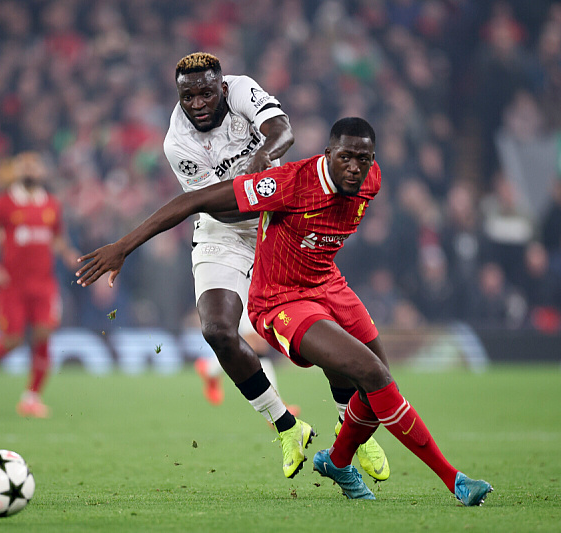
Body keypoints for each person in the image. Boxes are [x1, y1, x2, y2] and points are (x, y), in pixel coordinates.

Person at [76, 117, 492, 506]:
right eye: (345, 157)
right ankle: (454, 480)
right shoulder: (289, 183)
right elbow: (196, 200)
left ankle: (337, 462)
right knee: (374, 376)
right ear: (327, 153)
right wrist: (123, 246)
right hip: (281, 299)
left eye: (363, 159)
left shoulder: (372, 182)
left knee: (378, 386)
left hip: (330, 285)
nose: (354, 167)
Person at [165, 52, 388, 481]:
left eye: (206, 92)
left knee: (318, 323)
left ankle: (350, 424)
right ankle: (287, 428)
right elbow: (216, 206)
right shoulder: (177, 143)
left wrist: (261, 162)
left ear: (222, 87)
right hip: (223, 228)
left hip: (280, 217)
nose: (197, 102)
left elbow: (283, 131)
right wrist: (248, 192)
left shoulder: (244, 88)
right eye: (187, 95)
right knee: (216, 331)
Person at [0, 152, 79, 418]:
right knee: (14, 340)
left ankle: (31, 398)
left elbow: (57, 236)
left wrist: (68, 253)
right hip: (12, 285)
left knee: (44, 335)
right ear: (16, 171)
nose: (30, 169)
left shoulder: (52, 204)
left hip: (44, 284)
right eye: (24, 165)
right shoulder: (1, 204)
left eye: (34, 165)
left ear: (42, 171)